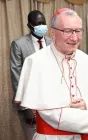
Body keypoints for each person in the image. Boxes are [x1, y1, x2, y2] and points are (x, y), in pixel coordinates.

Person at [14, 8, 88, 140]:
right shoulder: (36, 62)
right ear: (53, 33)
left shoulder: (87, 61)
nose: (74, 38)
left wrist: (87, 103)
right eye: (67, 31)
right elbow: (51, 114)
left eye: (78, 31)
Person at [10, 10, 52, 140]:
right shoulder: (19, 44)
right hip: (30, 103)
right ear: (30, 26)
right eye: (38, 23)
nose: (42, 26)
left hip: (52, 102)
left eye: (43, 23)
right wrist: (26, 105)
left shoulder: (52, 43)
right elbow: (16, 75)